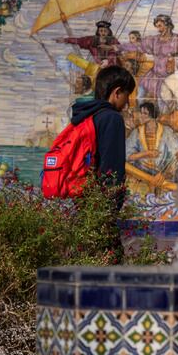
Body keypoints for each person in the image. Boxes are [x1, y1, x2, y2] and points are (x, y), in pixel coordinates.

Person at [70, 65, 135, 260]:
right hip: (101, 205)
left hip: (83, 197)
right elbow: (112, 170)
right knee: (110, 263)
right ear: (116, 92)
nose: (128, 102)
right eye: (127, 95)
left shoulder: (84, 115)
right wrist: (111, 208)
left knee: (85, 259)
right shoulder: (112, 119)